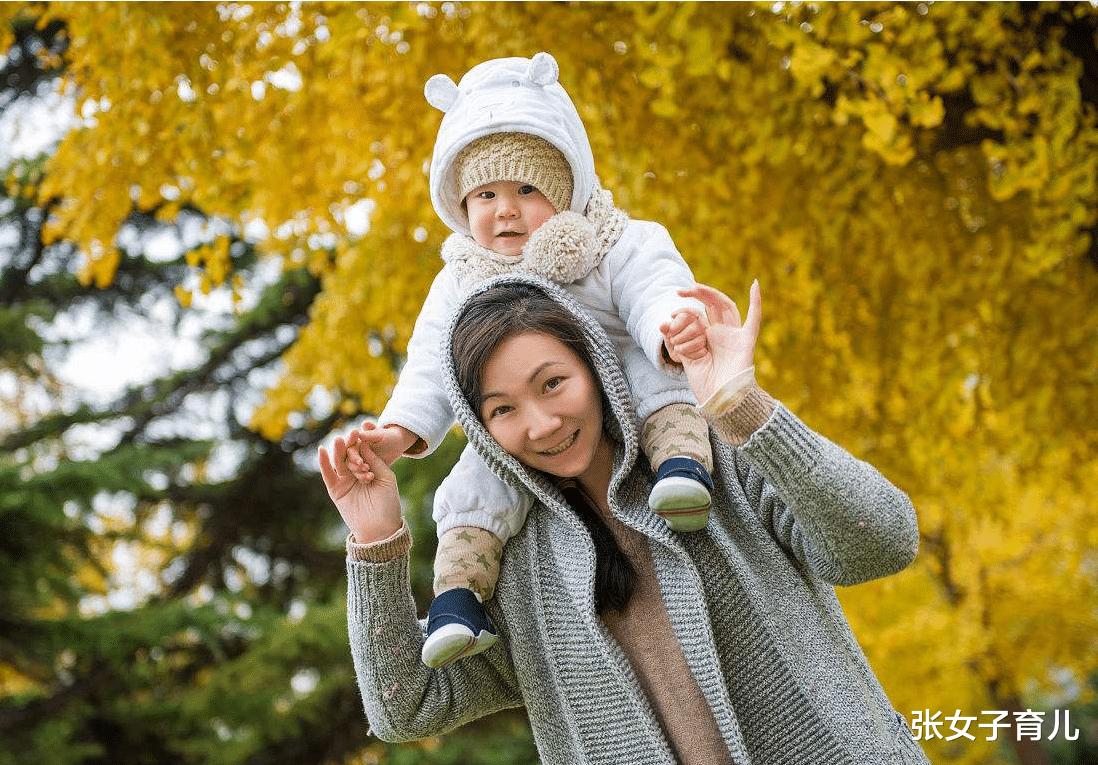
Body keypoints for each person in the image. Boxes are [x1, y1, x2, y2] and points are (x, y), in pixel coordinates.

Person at [320, 274, 931, 765]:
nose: (541, 424)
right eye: (503, 409)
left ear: (598, 367)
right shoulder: (512, 563)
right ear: (481, 430)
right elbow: (405, 707)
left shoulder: (712, 458)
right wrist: (377, 543)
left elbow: (883, 542)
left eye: (553, 383)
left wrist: (742, 406)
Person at [345, 51, 719, 669]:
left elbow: (654, 286)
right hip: (526, 425)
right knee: (474, 479)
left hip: (626, 380)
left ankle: (681, 466)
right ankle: (459, 597)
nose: (505, 209)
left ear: (565, 190)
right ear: (462, 206)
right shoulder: (461, 279)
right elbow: (432, 364)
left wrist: (671, 328)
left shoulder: (611, 239)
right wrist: (401, 429)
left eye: (527, 189)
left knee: (660, 379)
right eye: (485, 194)